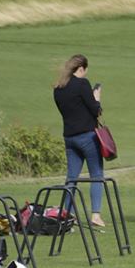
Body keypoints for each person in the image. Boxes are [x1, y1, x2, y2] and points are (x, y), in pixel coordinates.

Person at [52, 54, 105, 227]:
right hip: (87, 136)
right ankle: (95, 215)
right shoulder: (82, 84)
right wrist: (96, 97)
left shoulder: (58, 88)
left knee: (72, 178)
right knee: (96, 175)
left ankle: (67, 214)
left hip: (69, 137)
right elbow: (95, 110)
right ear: (81, 68)